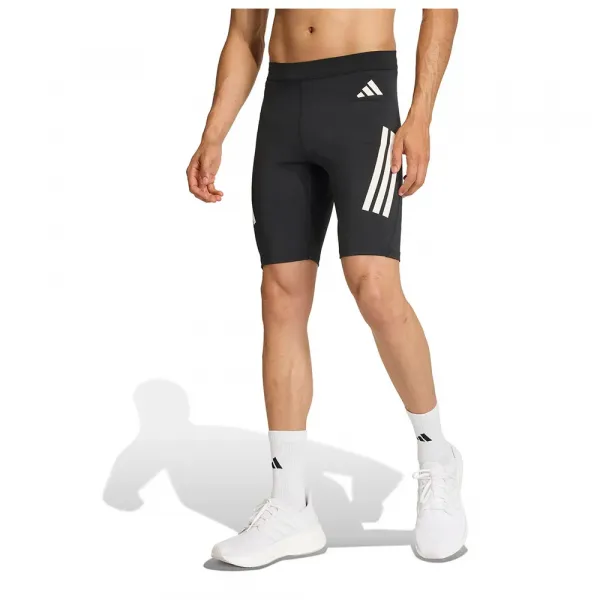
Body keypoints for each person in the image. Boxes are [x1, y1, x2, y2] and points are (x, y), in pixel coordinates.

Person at [187, 8, 464, 568]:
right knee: (280, 293)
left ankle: (437, 458)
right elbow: (245, 32)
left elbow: (441, 10)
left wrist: (420, 115)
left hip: (363, 97)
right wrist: (214, 132)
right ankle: (291, 504)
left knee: (374, 284)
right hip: (284, 104)